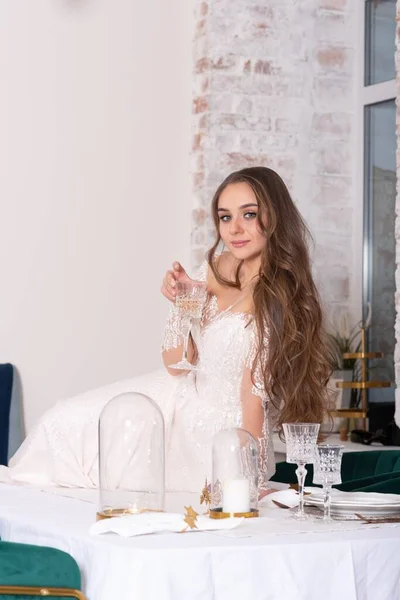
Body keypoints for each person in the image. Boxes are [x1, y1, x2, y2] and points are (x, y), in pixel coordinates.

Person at [1, 167, 331, 494]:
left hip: (219, 434)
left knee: (119, 480)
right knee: (62, 422)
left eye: (249, 214)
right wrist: (186, 301)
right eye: (225, 217)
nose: (235, 229)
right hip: (171, 399)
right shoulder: (217, 267)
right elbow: (175, 364)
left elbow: (252, 395)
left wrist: (252, 479)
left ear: (275, 216)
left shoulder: (279, 293)